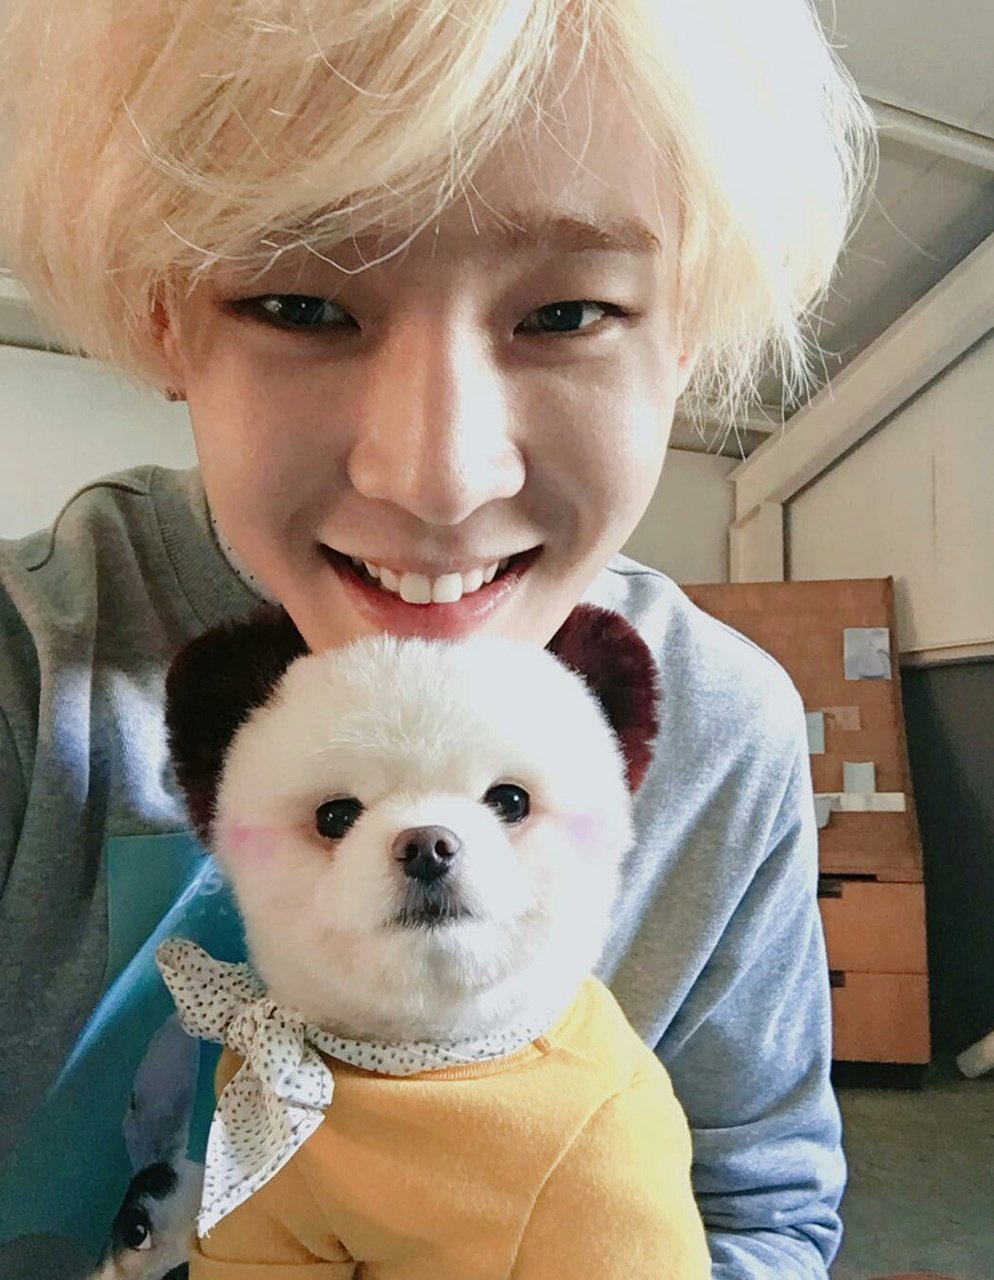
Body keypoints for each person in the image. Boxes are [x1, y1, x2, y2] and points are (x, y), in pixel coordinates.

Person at [0, 1, 876, 1276]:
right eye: (301, 304)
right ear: (162, 314)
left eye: (566, 313)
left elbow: (758, 1211)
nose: (439, 476)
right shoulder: (29, 680)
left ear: (687, 325)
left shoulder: (722, 729)